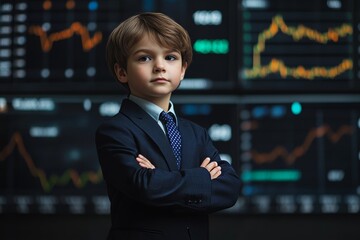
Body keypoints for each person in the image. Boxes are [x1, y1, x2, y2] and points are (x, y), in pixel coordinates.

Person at [95, 12, 240, 240]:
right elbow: (143, 186)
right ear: (122, 72)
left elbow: (229, 188)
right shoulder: (116, 130)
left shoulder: (196, 133)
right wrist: (203, 178)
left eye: (170, 57)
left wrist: (160, 179)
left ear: (182, 70)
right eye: (144, 58)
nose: (160, 66)